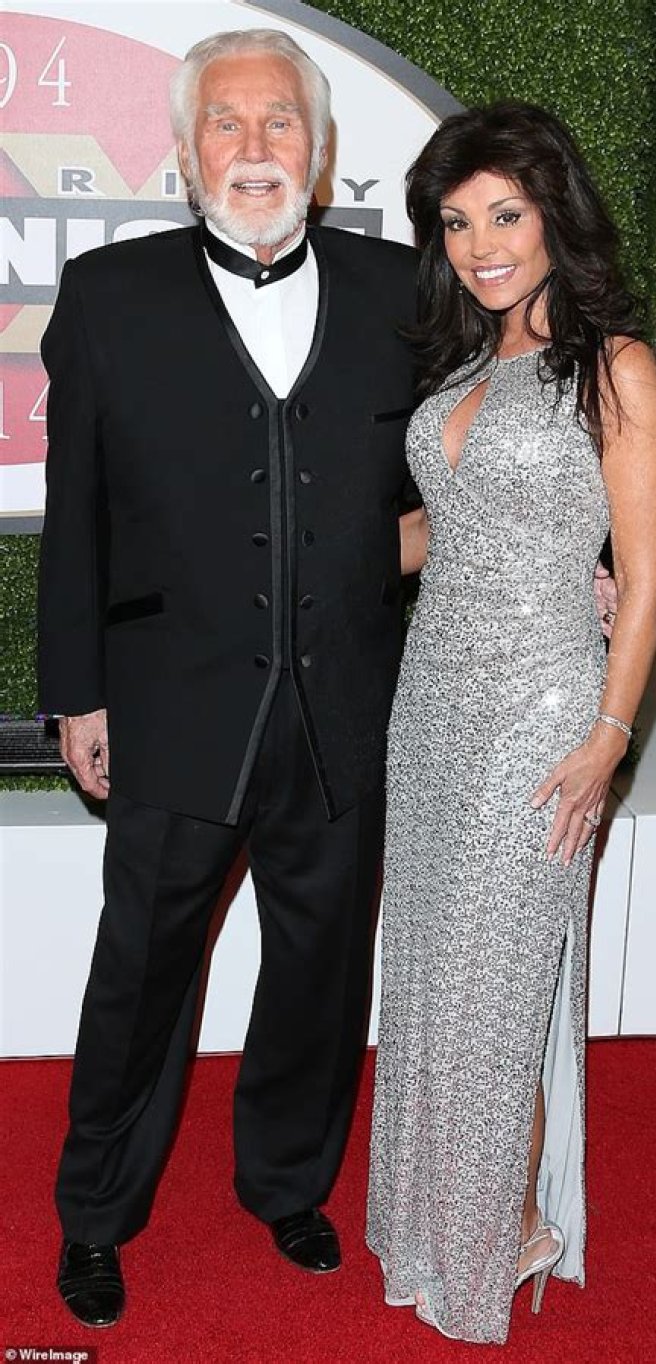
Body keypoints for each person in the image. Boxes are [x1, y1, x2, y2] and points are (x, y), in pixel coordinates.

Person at [37, 28, 421, 1328]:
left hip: (346, 705)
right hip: (173, 702)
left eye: (280, 123)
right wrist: (78, 691)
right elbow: (77, 513)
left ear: (319, 150)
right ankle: (96, 1215)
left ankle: (288, 1184)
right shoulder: (109, 295)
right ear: (186, 149)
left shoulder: (401, 291)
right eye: (227, 123)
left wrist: (583, 556)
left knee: (321, 968)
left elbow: (482, 456)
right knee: (141, 974)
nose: (254, 147)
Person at [366, 101, 656, 1345]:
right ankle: (447, 1220)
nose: (483, 245)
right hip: (432, 703)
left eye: (505, 214)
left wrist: (609, 735)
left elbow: (646, 575)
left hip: (546, 712)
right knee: (431, 975)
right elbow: (437, 534)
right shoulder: (463, 368)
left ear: (555, 215)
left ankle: (512, 1225)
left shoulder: (616, 368)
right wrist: (294, 552)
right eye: (457, 222)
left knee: (498, 986)